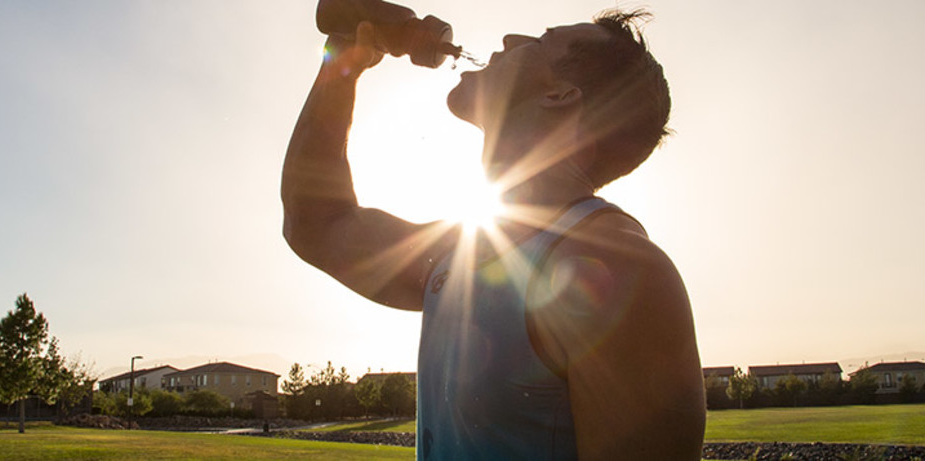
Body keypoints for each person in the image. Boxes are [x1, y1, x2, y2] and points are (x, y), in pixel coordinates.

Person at [281, 8, 706, 460]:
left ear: (559, 95)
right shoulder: (458, 252)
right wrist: (343, 63)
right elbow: (315, 222)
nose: (509, 37)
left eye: (540, 40)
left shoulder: (624, 270)